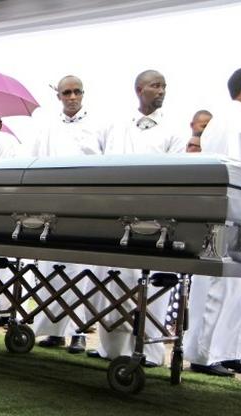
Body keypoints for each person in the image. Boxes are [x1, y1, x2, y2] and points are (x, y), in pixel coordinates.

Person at [95, 70, 185, 367]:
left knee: (152, 285)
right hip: (117, 214)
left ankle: (149, 350)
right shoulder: (115, 126)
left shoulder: (174, 130)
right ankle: (111, 348)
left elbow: (176, 172)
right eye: (156, 85)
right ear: (139, 89)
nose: (162, 91)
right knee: (116, 281)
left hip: (155, 218)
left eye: (164, 86)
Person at [184, 68, 241, 377]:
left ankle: (227, 349)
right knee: (218, 283)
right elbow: (240, 168)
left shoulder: (240, 119)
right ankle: (204, 354)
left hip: (240, 213)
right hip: (228, 214)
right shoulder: (234, 120)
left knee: (239, 284)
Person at [29, 75, 106, 353]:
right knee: (51, 270)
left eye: (76, 92)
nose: (72, 97)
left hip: (86, 207)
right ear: (58, 96)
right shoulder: (47, 127)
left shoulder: (99, 124)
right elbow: (35, 160)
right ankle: (53, 329)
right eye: (66, 93)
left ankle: (79, 332)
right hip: (53, 206)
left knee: (81, 272)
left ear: (83, 94)